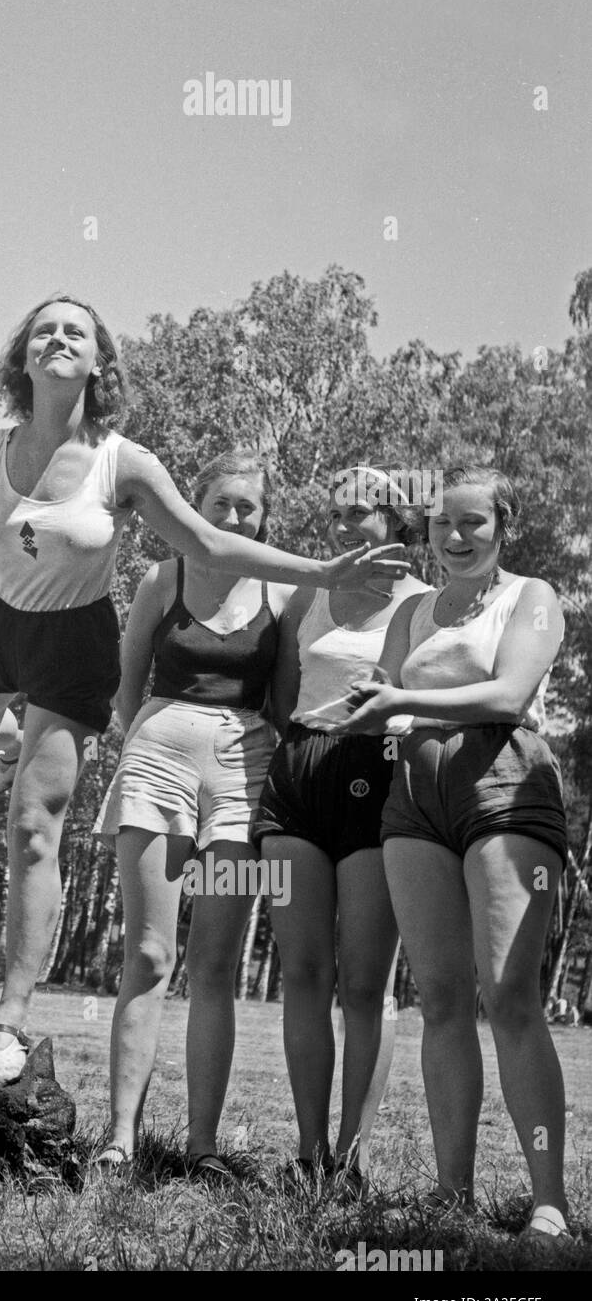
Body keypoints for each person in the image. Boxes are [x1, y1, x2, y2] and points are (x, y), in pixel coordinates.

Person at [0, 294, 408, 1090]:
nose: (60, 337)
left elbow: (208, 541)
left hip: (73, 648)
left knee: (34, 824)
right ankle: (2, 742)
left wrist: (321, 571)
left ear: (98, 362)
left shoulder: (125, 463)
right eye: (45, 329)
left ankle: (9, 1020)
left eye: (77, 330)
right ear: (23, 358)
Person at [336, 466, 570, 1241]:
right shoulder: (413, 612)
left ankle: (548, 1201)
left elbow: (508, 695)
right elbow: (388, 696)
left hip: (504, 786)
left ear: (504, 524)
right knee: (440, 1000)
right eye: (443, 524)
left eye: (474, 522)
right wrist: (363, 707)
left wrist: (400, 700)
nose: (456, 537)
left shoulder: (531, 596)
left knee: (509, 996)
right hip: (414, 800)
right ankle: (452, 1194)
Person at [92, 453, 288, 1175]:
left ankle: (202, 1144)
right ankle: (121, 1138)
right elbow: (124, 682)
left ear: (265, 519)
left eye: (248, 507)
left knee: (213, 963)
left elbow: (287, 700)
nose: (234, 516)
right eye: (221, 503)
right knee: (148, 956)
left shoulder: (280, 589)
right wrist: (135, 736)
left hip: (242, 781)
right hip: (157, 764)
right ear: (192, 505)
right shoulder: (160, 579)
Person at [254, 466, 428, 1196]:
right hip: (299, 773)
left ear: (394, 522)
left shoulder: (423, 603)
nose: (345, 525)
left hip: (379, 777)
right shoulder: (307, 591)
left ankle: (350, 1159)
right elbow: (282, 696)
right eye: (336, 515)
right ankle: (309, 1149)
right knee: (301, 975)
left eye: (361, 512)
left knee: (364, 982)